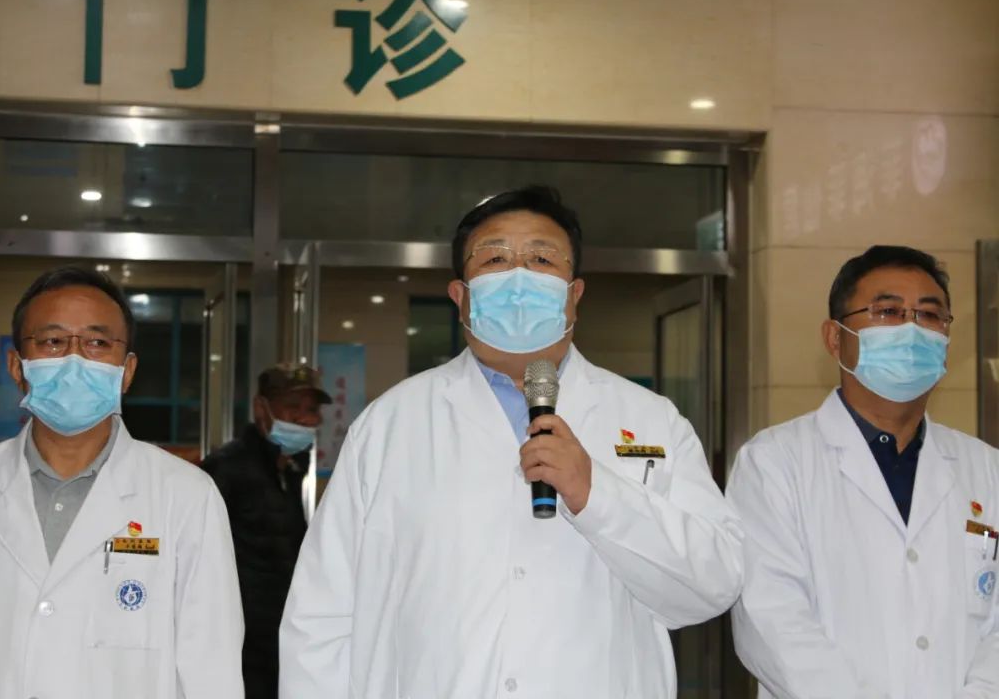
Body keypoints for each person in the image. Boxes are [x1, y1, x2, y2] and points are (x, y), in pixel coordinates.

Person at [279, 186, 745, 698]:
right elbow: (322, 616)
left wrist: (599, 495)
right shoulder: (390, 424)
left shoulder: (652, 420)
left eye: (542, 259)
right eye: (495, 259)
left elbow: (713, 586)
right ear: (460, 295)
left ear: (574, 293)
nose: (519, 278)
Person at [0, 266, 244, 699]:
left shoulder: (186, 495)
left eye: (97, 343)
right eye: (53, 341)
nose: (74, 360)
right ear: (17, 365)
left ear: (127, 370)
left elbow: (211, 666)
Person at [729, 246, 999, 698]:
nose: (912, 330)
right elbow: (771, 620)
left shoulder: (986, 468)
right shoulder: (774, 463)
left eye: (930, 315)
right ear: (835, 338)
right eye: (888, 311)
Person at [202, 363, 330, 699]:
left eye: (311, 410)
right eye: (292, 406)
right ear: (261, 408)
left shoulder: (290, 469)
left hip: (279, 643)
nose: (304, 418)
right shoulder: (227, 469)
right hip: (240, 648)